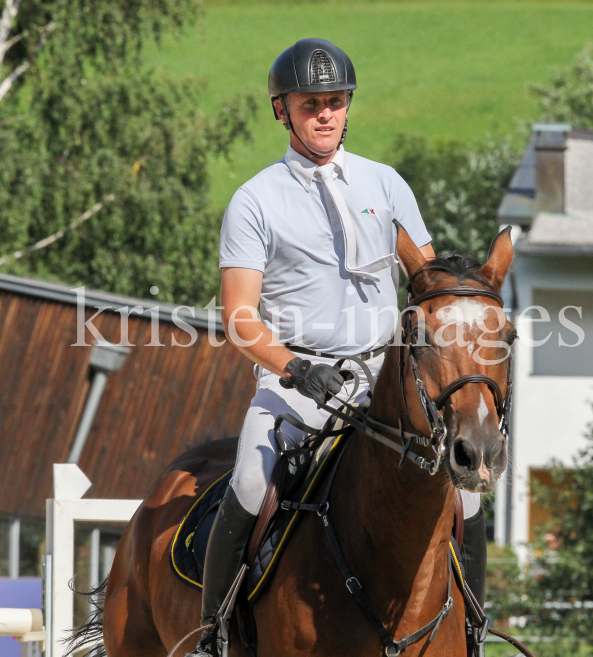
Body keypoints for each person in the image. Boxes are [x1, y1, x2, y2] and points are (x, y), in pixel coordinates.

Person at [186, 38, 487, 657]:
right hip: (297, 379)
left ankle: (476, 629)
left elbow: (424, 285)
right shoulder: (256, 199)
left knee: (467, 493)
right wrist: (296, 368)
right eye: (310, 104)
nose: (324, 114)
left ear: (348, 106)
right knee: (249, 480)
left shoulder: (388, 183)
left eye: (335, 102)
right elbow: (240, 316)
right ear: (283, 110)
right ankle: (216, 635)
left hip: (387, 380)